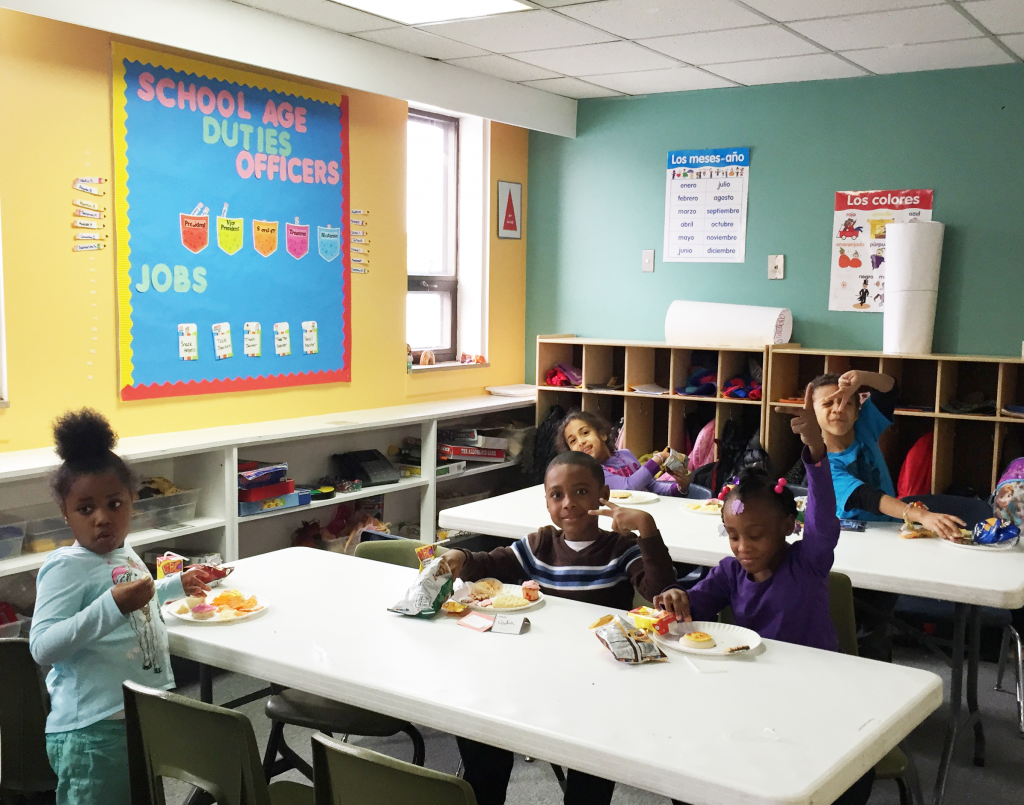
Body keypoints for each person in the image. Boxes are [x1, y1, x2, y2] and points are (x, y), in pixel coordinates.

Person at [656, 385, 874, 805]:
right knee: (698, 764)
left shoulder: (807, 563)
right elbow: (693, 605)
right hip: (756, 690)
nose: (743, 548)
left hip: (815, 689)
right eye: (733, 535)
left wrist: (815, 452)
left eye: (755, 535)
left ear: (787, 526)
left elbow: (823, 522)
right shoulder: (730, 572)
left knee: (843, 771)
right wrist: (674, 596)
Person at [440, 450, 676, 805]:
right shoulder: (540, 545)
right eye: (557, 495)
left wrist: (646, 527)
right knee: (480, 727)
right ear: (547, 502)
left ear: (603, 495)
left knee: (593, 761)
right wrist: (463, 558)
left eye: (581, 492)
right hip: (538, 671)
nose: (568, 503)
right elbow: (493, 562)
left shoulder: (620, 548)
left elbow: (658, 589)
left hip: (596, 682)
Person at [29, 409, 210, 805]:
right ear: (65, 514)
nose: (102, 519)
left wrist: (173, 586)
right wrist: (111, 605)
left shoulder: (123, 551)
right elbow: (42, 646)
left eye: (114, 504)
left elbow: (134, 598)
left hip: (138, 716)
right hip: (92, 731)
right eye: (85, 509)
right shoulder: (65, 567)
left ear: (133, 503)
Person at [807, 371, 965, 660]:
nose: (838, 409)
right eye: (828, 403)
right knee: (863, 627)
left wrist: (862, 378)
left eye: (846, 403)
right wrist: (918, 514)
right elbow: (867, 497)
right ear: (812, 412)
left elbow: (889, 389)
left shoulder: (864, 427)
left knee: (878, 625)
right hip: (851, 550)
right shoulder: (821, 461)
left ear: (858, 412)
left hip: (889, 541)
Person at [559, 409, 691, 496]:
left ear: (603, 434)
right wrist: (659, 458)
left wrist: (680, 488)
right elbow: (628, 489)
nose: (581, 442)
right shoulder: (594, 472)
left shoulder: (625, 454)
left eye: (585, 433)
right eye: (573, 441)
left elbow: (652, 487)